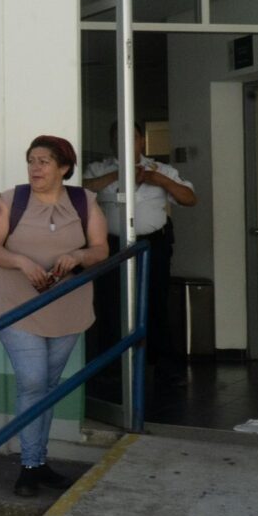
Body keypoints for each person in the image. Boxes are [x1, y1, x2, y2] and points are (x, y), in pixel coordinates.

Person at [0, 135, 109, 497]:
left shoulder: (84, 201)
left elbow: (101, 249)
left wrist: (80, 256)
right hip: (16, 306)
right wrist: (19, 260)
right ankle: (30, 464)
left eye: (44, 161)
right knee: (33, 382)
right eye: (31, 160)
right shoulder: (10, 201)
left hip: (68, 305)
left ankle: (38, 462)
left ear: (64, 167)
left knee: (48, 389)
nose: (35, 168)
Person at [84, 123, 197, 388]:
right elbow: (80, 191)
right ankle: (110, 367)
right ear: (112, 143)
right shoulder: (100, 169)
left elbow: (190, 198)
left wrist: (160, 181)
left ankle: (164, 366)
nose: (125, 141)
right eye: (117, 137)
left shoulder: (162, 170)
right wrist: (117, 174)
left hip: (152, 245)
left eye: (131, 137)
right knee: (110, 304)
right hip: (110, 245)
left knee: (155, 302)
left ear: (142, 142)